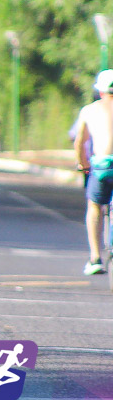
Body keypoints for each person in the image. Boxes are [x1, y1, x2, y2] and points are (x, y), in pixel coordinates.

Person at [74, 69, 113, 275]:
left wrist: (82, 164)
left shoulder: (89, 110)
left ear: (100, 91)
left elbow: (80, 141)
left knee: (95, 206)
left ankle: (95, 257)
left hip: (101, 166)